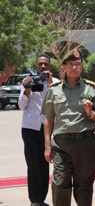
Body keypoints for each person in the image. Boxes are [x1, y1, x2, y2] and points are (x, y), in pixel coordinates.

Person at [41, 49, 95, 206]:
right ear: (64, 67)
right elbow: (49, 119)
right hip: (61, 144)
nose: (75, 68)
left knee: (84, 188)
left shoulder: (91, 88)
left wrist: (90, 112)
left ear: (82, 67)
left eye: (78, 64)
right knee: (60, 183)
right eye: (71, 64)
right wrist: (47, 146)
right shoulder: (54, 90)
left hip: (85, 143)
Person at [18, 54, 58, 206]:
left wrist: (49, 83)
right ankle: (35, 199)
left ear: (50, 66)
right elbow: (21, 106)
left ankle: (42, 197)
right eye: (40, 64)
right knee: (33, 164)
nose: (42, 67)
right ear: (36, 65)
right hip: (30, 127)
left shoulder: (54, 83)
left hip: (47, 129)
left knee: (44, 163)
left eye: (45, 64)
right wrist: (27, 90)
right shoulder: (27, 81)